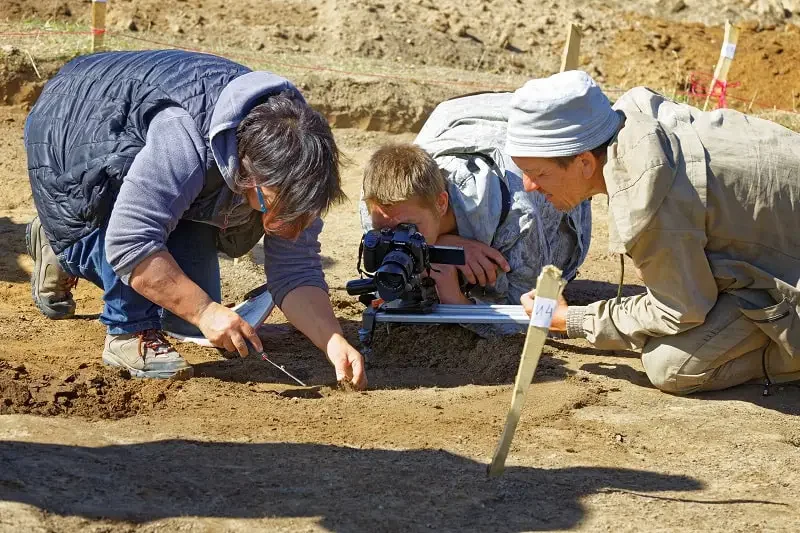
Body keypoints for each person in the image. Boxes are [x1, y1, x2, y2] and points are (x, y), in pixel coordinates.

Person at [24, 49, 366, 388]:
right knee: (153, 275)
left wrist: (331, 340)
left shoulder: (304, 163)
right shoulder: (183, 138)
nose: (279, 227)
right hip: (73, 131)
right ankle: (125, 326)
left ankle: (63, 242)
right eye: (270, 206)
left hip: (151, 139)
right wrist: (204, 311)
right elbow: (131, 241)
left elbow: (295, 268)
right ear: (248, 171)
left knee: (183, 313)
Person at [511, 70, 800, 394]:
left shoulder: (650, 197)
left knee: (671, 365)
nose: (529, 186)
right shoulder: (635, 123)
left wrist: (571, 319)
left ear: (584, 163)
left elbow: (680, 309)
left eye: (537, 173)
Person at [359, 91, 592, 336]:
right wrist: (444, 245)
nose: (396, 239)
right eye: (385, 231)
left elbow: (528, 317)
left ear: (441, 203)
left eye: (408, 229)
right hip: (462, 115)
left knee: (500, 282)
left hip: (536, 136)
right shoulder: (382, 210)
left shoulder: (519, 218)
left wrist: (455, 300)